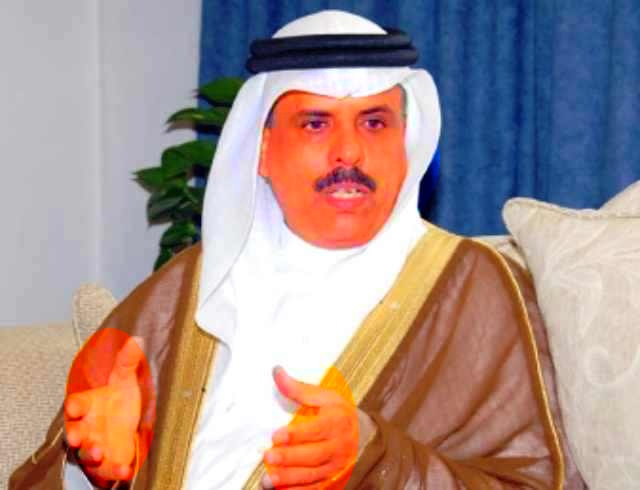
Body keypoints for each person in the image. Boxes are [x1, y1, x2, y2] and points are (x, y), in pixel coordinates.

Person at [10, 10, 583, 490]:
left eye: (375, 123)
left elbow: (531, 480)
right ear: (261, 150)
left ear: (406, 143)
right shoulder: (191, 284)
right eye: (315, 124)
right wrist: (91, 467)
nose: (348, 153)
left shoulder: (470, 285)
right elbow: (53, 464)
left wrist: (375, 458)